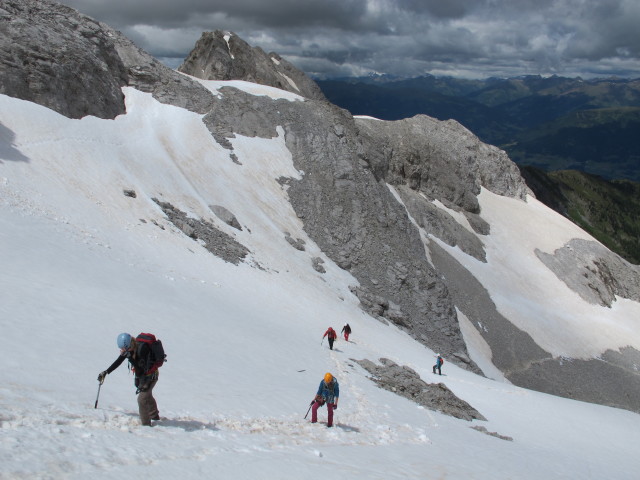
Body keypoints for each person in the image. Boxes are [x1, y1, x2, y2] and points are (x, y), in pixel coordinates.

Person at [97, 332, 163, 426]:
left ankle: (146, 425)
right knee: (147, 395)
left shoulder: (142, 350)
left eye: (123, 349)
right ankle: (155, 416)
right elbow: (118, 361)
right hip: (143, 377)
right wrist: (106, 372)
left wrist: (130, 359)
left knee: (142, 399)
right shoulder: (129, 349)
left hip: (151, 376)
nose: (122, 351)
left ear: (128, 345)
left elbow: (141, 370)